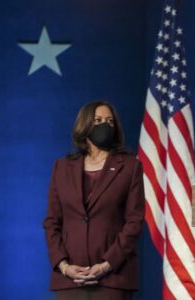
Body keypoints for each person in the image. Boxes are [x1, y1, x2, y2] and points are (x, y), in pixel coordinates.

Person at [43, 101, 145, 300]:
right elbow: (52, 222)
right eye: (97, 120)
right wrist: (64, 266)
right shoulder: (62, 167)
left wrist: (107, 264)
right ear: (85, 125)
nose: (104, 125)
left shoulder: (130, 167)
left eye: (109, 121)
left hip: (113, 279)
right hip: (70, 280)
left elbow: (134, 222)